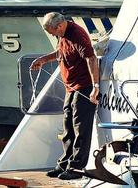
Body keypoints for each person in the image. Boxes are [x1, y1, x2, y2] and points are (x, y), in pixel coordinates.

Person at [30, 12, 99, 180]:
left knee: (80, 128)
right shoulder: (62, 35)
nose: (52, 35)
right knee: (68, 127)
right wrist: (44, 59)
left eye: (52, 32)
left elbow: (91, 58)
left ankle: (76, 168)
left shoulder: (77, 34)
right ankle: (64, 164)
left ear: (59, 26)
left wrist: (95, 86)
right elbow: (60, 53)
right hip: (70, 88)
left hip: (83, 87)